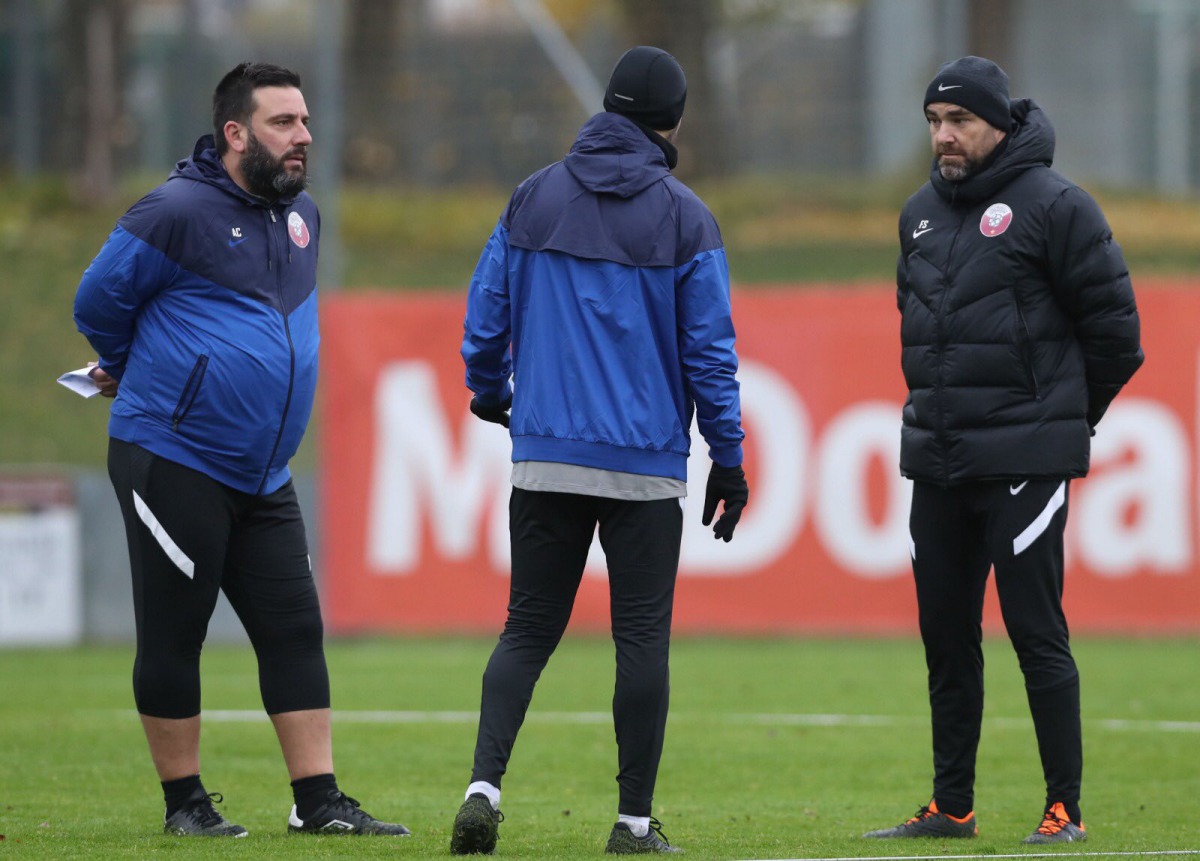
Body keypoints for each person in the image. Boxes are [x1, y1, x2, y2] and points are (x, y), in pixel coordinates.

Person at [73, 62, 408, 838]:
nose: (303, 137)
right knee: (176, 630)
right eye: (284, 123)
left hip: (265, 471)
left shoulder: (303, 217)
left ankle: (318, 801)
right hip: (173, 456)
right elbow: (98, 301)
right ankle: (184, 803)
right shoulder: (175, 210)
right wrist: (142, 368)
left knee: (294, 628)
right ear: (235, 133)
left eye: (304, 121)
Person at [453, 46, 748, 855]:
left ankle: (483, 786)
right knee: (641, 639)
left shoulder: (533, 197)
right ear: (672, 121)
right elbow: (710, 356)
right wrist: (728, 456)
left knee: (526, 629)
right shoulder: (686, 215)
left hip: (546, 456)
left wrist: (491, 388)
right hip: (646, 467)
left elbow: (485, 315)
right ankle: (632, 823)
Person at [865, 56, 1143, 844]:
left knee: (1035, 634)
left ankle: (1065, 808)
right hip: (939, 463)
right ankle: (952, 804)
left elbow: (1117, 337)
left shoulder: (1059, 207)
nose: (944, 136)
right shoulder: (917, 212)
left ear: (998, 123)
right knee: (947, 641)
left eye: (959, 121)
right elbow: (916, 325)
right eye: (933, 122)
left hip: (1024, 464)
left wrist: (1057, 426)